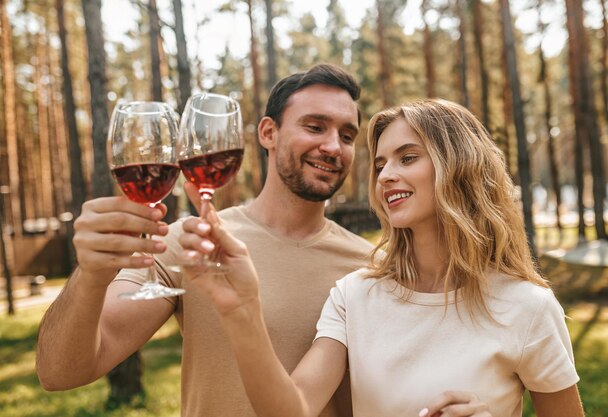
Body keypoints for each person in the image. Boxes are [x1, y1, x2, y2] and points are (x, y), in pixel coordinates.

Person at [179, 99, 585, 417]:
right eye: (380, 164)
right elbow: (293, 407)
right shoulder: (353, 297)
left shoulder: (527, 307)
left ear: (459, 166)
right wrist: (242, 307)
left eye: (407, 158)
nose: (386, 174)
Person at [36, 63, 374, 417]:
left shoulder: (369, 265)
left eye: (347, 136)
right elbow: (59, 373)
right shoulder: (191, 242)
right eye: (315, 127)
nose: (333, 146)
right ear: (268, 132)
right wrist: (90, 277)